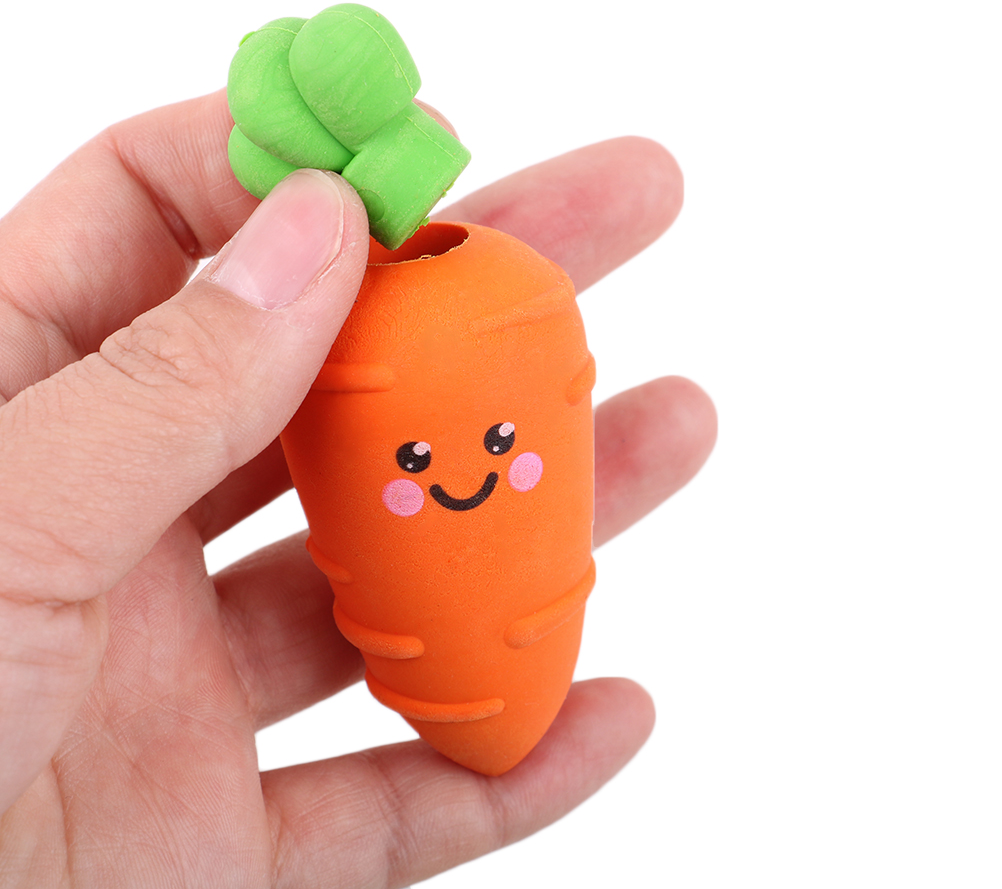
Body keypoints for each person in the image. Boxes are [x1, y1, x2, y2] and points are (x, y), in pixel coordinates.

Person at [0, 91, 716, 886]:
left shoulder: (510, 293)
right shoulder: (415, 314)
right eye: (419, 461)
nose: (463, 477)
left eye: (498, 446)